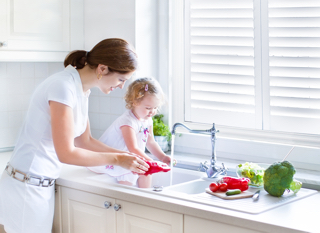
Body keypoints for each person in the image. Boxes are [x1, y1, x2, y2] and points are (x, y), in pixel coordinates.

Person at [0, 38, 149, 233]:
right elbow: (66, 153)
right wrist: (118, 159)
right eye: (121, 79)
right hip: (26, 188)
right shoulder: (62, 87)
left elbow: (85, 141)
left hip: (39, 186)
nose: (121, 86)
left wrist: (130, 156)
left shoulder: (81, 90)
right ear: (103, 69)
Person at [87, 77, 172, 188]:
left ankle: (144, 199)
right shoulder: (128, 121)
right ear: (134, 102)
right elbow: (133, 149)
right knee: (130, 174)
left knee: (146, 171)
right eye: (148, 108)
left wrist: (162, 157)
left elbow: (151, 142)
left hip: (130, 157)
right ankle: (128, 197)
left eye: (155, 107)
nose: (152, 112)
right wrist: (152, 162)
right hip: (113, 159)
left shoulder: (147, 119)